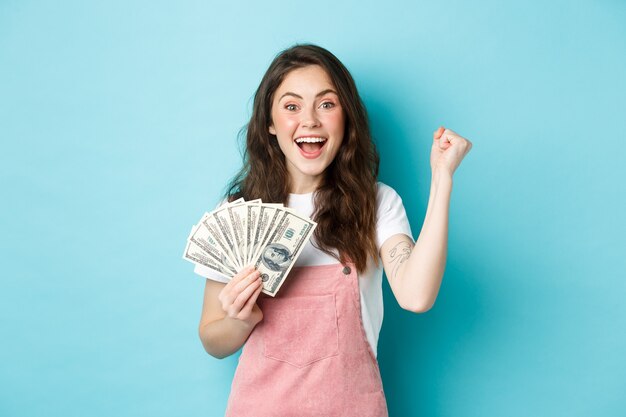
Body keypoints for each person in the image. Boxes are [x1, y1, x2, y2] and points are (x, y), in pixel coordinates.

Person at [195, 43, 472, 417]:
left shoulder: (375, 204)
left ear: (347, 118)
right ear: (270, 124)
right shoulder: (237, 215)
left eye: (326, 104)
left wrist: (442, 179)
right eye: (291, 107)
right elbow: (213, 339)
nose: (309, 120)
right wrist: (239, 319)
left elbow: (416, 296)